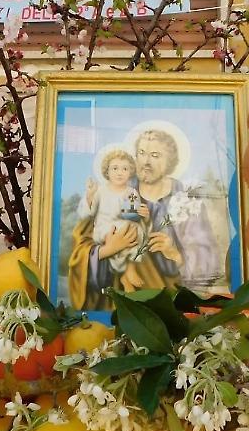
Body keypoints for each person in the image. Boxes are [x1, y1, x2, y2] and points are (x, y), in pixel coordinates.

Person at [66, 128, 220, 310]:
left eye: (155, 155)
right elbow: (79, 249)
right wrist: (108, 249)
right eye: (141, 153)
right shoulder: (116, 189)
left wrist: (175, 254)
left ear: (170, 160)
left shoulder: (186, 200)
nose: (146, 162)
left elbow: (208, 263)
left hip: (170, 303)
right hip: (116, 303)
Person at [77, 148, 148, 275]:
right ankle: (117, 263)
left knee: (138, 231)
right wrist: (90, 195)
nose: (120, 173)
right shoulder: (100, 191)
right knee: (124, 230)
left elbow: (134, 211)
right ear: (107, 171)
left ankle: (130, 268)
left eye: (125, 169)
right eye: (115, 168)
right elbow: (87, 213)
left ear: (130, 171)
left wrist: (140, 213)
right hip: (104, 228)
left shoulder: (131, 192)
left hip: (124, 227)